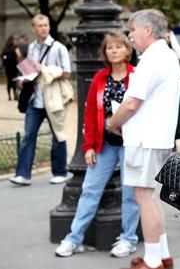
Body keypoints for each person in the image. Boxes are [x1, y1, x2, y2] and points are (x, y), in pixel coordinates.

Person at [54, 30, 140, 258]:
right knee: (90, 190)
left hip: (131, 144)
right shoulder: (100, 79)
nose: (114, 50)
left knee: (130, 193)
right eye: (110, 47)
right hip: (105, 144)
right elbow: (90, 114)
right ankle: (74, 239)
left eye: (118, 46)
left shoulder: (137, 76)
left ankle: (129, 238)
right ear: (105, 52)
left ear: (127, 50)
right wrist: (89, 146)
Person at [108, 9, 180, 269]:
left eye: (133, 29)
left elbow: (131, 103)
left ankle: (152, 261)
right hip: (158, 137)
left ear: (147, 30)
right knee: (149, 196)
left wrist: (112, 123)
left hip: (143, 139)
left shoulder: (152, 58)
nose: (130, 35)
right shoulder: (168, 54)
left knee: (143, 197)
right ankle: (162, 254)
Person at [9, 14, 73, 186]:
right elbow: (30, 71)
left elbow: (67, 72)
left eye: (45, 25)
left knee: (57, 135)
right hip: (34, 99)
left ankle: (60, 172)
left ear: (49, 27)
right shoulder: (31, 48)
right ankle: (23, 174)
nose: (43, 28)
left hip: (53, 98)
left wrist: (43, 69)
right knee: (29, 136)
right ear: (34, 28)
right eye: (40, 25)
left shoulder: (59, 48)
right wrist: (24, 80)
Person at [1, 34, 22, 100]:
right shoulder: (15, 47)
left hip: (7, 67)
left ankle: (9, 96)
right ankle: (15, 95)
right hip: (14, 66)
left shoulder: (5, 48)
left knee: (9, 81)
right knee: (14, 80)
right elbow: (19, 55)